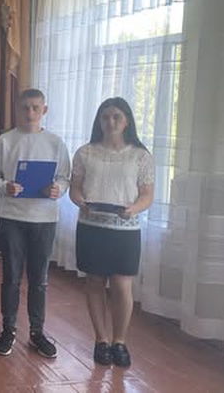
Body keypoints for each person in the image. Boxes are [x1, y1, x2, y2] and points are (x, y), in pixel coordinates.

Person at [0, 88, 71, 359]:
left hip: (44, 219)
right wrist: (5, 186)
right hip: (12, 218)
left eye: (35, 107)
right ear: (17, 109)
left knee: (39, 278)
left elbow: (65, 178)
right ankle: (8, 329)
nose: (30, 113)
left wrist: (58, 189)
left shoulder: (56, 143)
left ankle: (37, 332)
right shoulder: (4, 142)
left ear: (44, 110)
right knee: (11, 277)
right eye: (25, 107)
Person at [69, 97, 154, 368]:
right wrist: (80, 201)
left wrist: (133, 209)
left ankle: (120, 341)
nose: (111, 121)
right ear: (99, 121)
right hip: (92, 227)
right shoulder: (85, 152)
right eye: (105, 117)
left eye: (117, 116)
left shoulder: (140, 155)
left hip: (125, 229)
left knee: (121, 285)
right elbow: (75, 188)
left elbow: (147, 195)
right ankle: (101, 340)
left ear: (127, 121)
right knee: (94, 282)